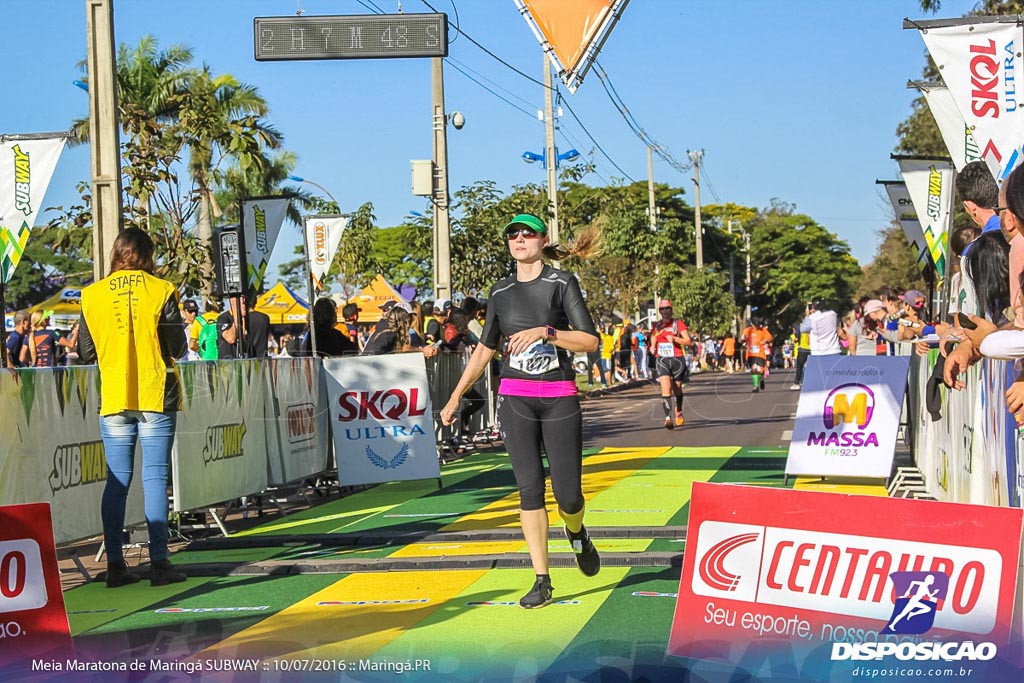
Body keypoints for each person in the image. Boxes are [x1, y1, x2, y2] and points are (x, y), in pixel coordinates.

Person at [440, 213, 602, 609]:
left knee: (568, 496)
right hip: (515, 398)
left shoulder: (561, 284)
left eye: (527, 233)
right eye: (512, 234)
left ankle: (577, 533)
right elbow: (484, 349)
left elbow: (590, 341)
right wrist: (456, 394)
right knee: (529, 489)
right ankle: (542, 579)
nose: (519, 239)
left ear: (542, 240)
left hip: (559, 396)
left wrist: (547, 332)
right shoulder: (500, 291)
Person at [75, 228, 188, 588]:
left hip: (113, 396)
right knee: (154, 476)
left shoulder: (91, 296)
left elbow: (86, 353)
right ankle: (159, 563)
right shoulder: (161, 290)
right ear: (147, 254)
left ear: (116, 253)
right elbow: (178, 345)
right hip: (156, 392)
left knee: (117, 480)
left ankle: (115, 566)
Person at [649, 299, 691, 429]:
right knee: (665, 388)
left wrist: (675, 339)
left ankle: (678, 410)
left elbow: (688, 341)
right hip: (662, 359)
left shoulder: (678, 324)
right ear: (659, 311)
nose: (665, 311)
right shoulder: (657, 325)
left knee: (677, 388)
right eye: (662, 309)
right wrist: (653, 345)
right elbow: (654, 336)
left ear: (671, 310)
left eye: (667, 308)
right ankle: (668, 418)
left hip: (677, 359)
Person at [362, 300, 438, 357]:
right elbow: (402, 348)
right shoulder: (389, 333)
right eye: (409, 318)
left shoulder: (389, 329)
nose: (411, 321)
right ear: (402, 317)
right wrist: (422, 351)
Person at [743, 319, 773, 392]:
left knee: (760, 371)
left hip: (761, 353)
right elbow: (743, 338)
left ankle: (761, 379)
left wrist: (765, 341)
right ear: (751, 324)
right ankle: (756, 387)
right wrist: (743, 339)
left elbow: (770, 338)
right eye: (755, 325)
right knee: (754, 370)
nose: (757, 327)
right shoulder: (747, 330)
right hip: (751, 353)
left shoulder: (763, 330)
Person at [245, 291, 271, 358]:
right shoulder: (265, 318)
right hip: (262, 356)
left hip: (248, 356)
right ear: (256, 302)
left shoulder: (243, 319)